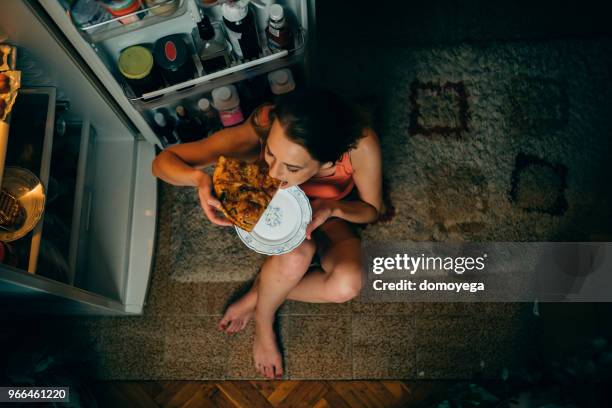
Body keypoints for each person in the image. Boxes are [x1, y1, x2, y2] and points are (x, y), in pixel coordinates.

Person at [152, 88, 383, 379]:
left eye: (292, 167)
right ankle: (264, 320)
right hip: (269, 216)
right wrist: (199, 179)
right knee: (297, 256)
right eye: (271, 154)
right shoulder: (264, 123)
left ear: (328, 162)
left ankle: (261, 293)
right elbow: (161, 163)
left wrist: (334, 208)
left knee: (349, 284)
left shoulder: (360, 145)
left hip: (328, 217)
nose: (274, 173)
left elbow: (372, 209)